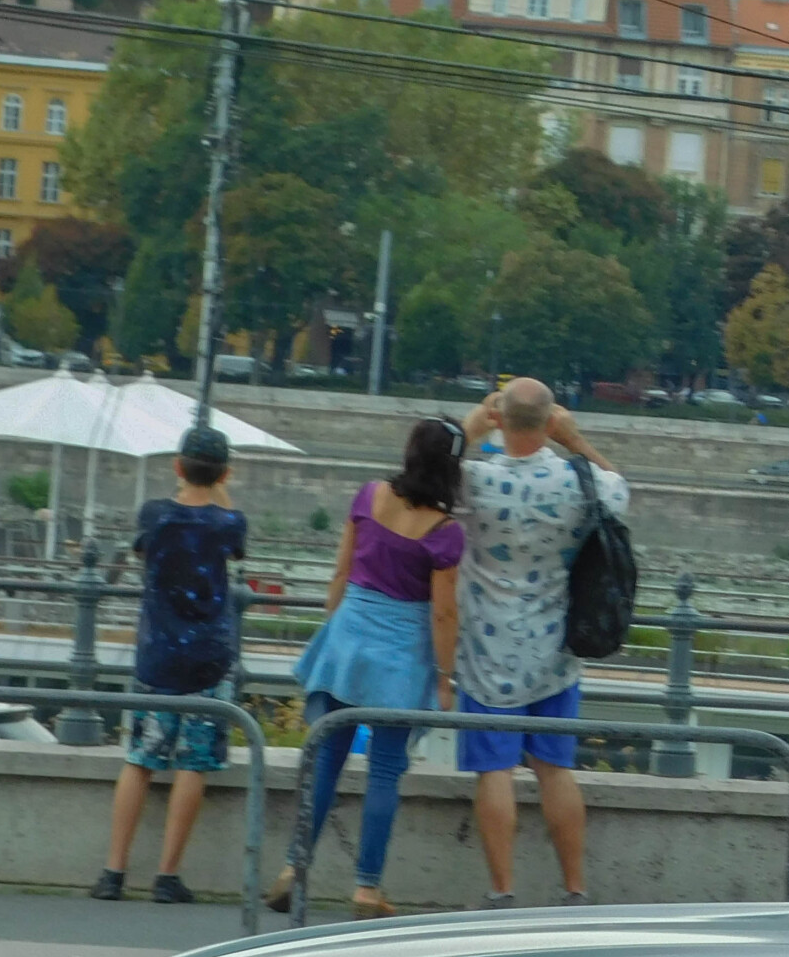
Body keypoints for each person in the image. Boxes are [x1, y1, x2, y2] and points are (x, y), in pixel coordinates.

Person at [264, 418, 465, 918]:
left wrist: (333, 631)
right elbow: (443, 613)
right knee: (384, 771)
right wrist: (446, 677)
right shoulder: (445, 532)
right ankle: (366, 889)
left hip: (349, 639)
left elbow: (341, 570)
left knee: (327, 761)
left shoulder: (369, 497)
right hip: (400, 657)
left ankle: (294, 868)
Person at [452, 378, 627, 909]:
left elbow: (423, 480)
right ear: (552, 421)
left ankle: (502, 890)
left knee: (495, 771)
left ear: (501, 420)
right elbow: (619, 489)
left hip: (487, 647)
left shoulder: (475, 481)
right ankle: (574, 888)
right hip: (555, 646)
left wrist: (471, 427)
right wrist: (576, 440)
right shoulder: (577, 482)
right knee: (556, 769)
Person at [94, 426, 246, 904]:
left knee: (139, 761)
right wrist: (218, 485)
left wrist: (190, 486)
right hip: (208, 660)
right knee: (192, 765)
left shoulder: (155, 516)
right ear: (225, 472)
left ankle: (113, 872)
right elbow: (231, 533)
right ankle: (167, 876)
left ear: (177, 468)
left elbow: (143, 551)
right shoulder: (230, 523)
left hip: (157, 657)